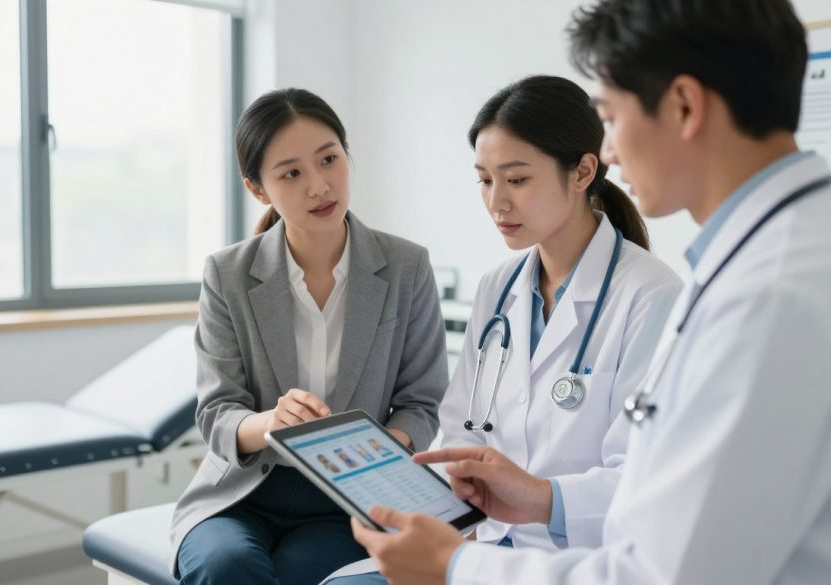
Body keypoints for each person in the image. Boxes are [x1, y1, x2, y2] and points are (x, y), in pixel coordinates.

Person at [350, 1, 831, 584]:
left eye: (611, 115)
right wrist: (524, 503)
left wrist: (456, 568)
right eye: (485, 180)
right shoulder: (769, 259)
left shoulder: (768, 294)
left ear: (684, 105)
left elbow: (665, 573)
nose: (611, 152)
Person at [326, 75, 681, 584]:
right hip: (479, 546)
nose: (496, 202)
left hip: (575, 564)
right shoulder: (499, 289)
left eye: (516, 180)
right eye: (485, 180)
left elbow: (645, 484)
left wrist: (540, 500)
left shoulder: (650, 297)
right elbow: (460, 430)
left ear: (582, 171)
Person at [169, 87, 450, 585]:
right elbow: (216, 413)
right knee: (226, 566)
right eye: (291, 173)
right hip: (241, 494)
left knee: (300, 571)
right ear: (258, 189)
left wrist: (375, 448)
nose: (319, 186)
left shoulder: (407, 265)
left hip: (346, 499)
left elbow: (422, 403)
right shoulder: (228, 273)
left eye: (329, 159)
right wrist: (271, 422)